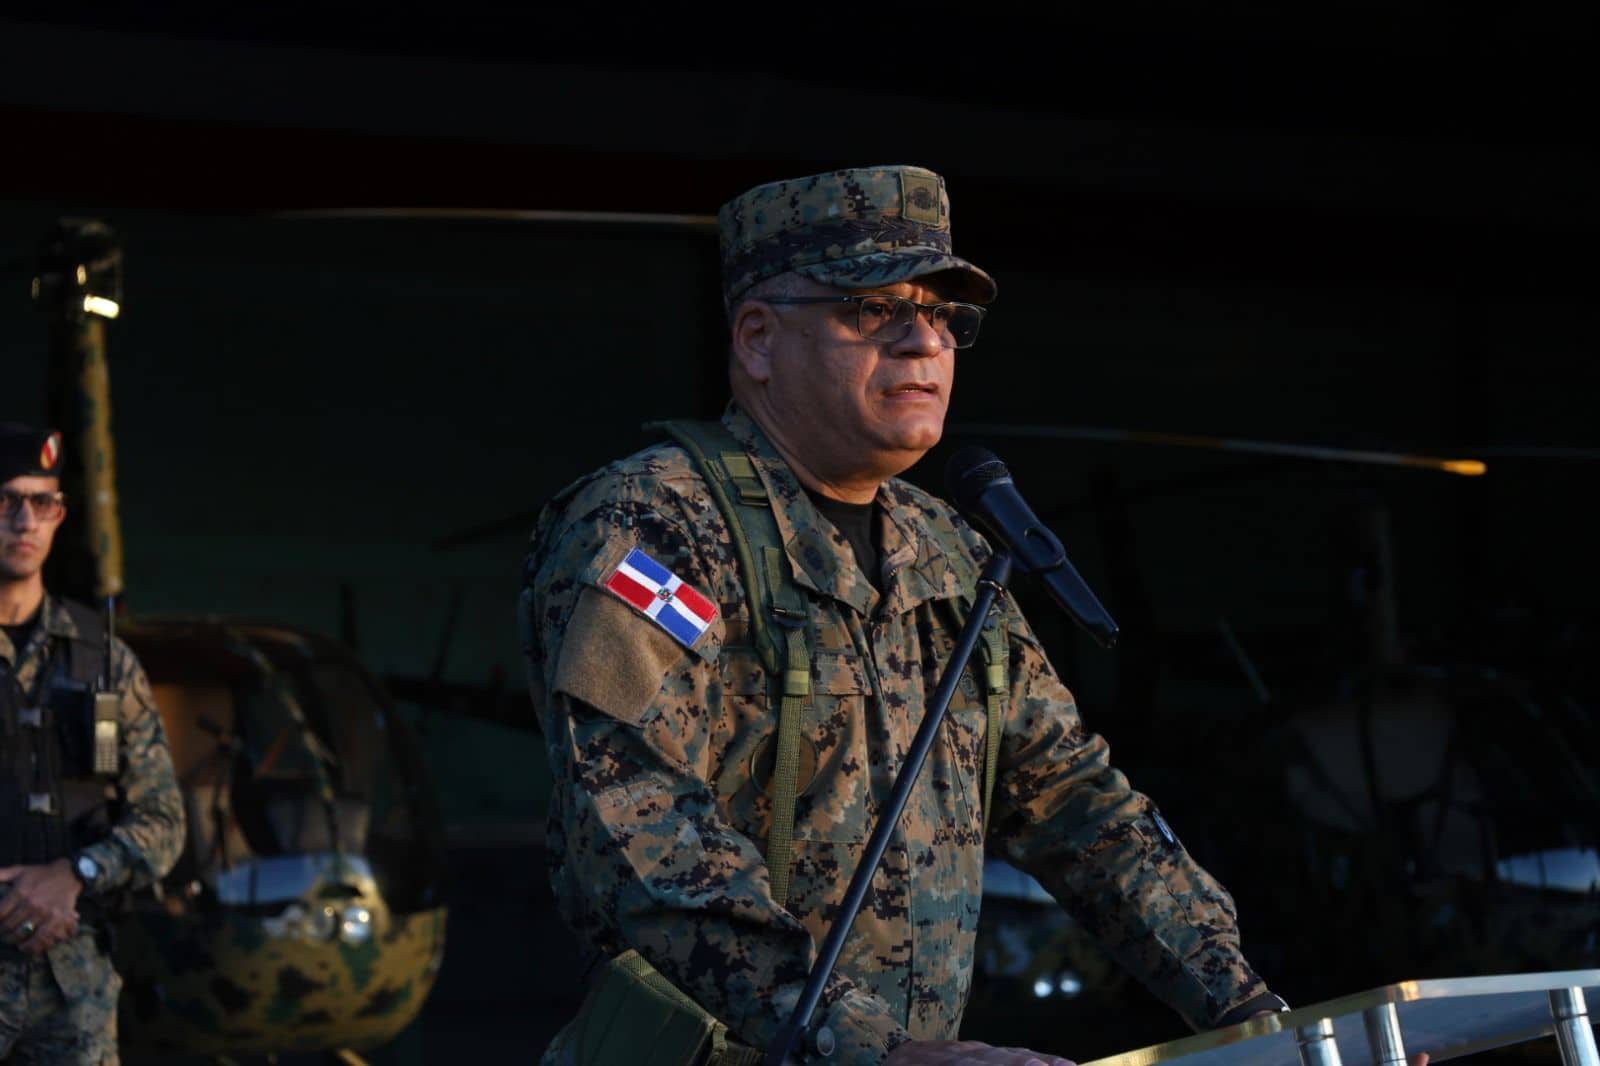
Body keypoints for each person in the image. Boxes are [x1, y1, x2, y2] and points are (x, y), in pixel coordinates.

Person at [520, 166, 1286, 1066]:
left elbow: (1076, 803)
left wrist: (1256, 1014)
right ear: (759, 340)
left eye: (945, 317)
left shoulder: (948, 547)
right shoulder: (654, 526)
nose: (924, 343)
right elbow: (637, 826)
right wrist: (869, 1049)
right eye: (871, 310)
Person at [0, 422, 185, 1064]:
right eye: (4, 501)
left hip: (74, 991)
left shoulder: (102, 661)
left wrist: (72, 877)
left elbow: (163, 821)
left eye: (40, 502)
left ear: (58, 516)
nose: (23, 520)